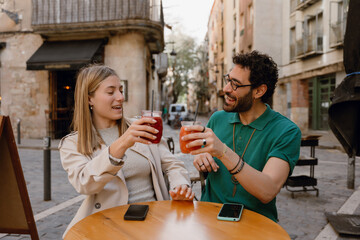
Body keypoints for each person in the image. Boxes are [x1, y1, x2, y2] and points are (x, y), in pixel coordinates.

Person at [59, 65, 194, 237]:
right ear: (89, 99)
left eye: (121, 90)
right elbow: (85, 183)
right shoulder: (72, 143)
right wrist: (122, 143)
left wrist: (180, 185)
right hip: (108, 227)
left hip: (155, 222)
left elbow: (172, 164)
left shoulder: (141, 125)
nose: (121, 97)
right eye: (111, 92)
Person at [182, 51, 301, 222]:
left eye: (235, 84)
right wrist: (202, 156)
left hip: (256, 224)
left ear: (259, 91)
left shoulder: (286, 131)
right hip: (208, 218)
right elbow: (204, 152)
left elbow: (267, 191)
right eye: (228, 80)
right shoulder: (217, 119)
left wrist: (223, 151)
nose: (226, 89)